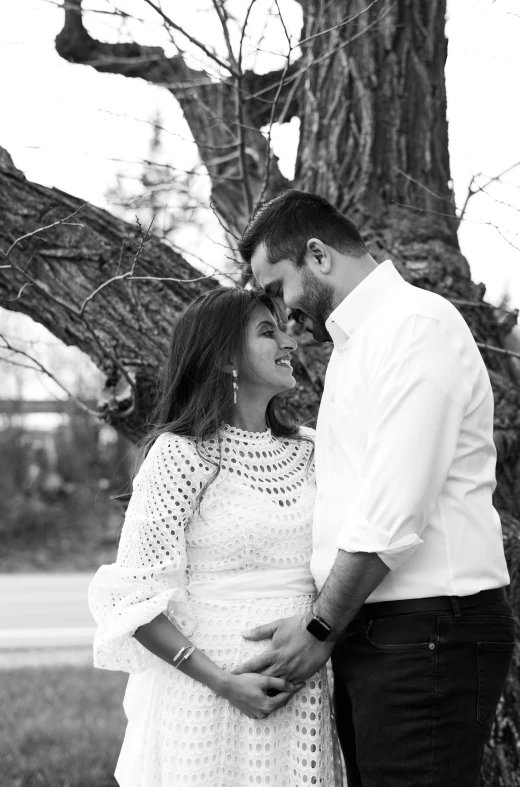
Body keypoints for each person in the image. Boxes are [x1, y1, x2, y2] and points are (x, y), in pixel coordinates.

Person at [235, 189, 515, 787]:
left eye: (279, 287)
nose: (284, 316)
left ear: (318, 255)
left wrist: (318, 629)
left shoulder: (414, 325)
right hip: (379, 631)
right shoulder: (356, 347)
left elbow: (392, 513)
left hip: (428, 630)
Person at [88, 287, 343, 787]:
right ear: (225, 356)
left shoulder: (312, 449)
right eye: (267, 332)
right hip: (209, 698)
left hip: (305, 688)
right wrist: (225, 683)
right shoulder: (181, 456)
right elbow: (132, 599)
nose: (287, 342)